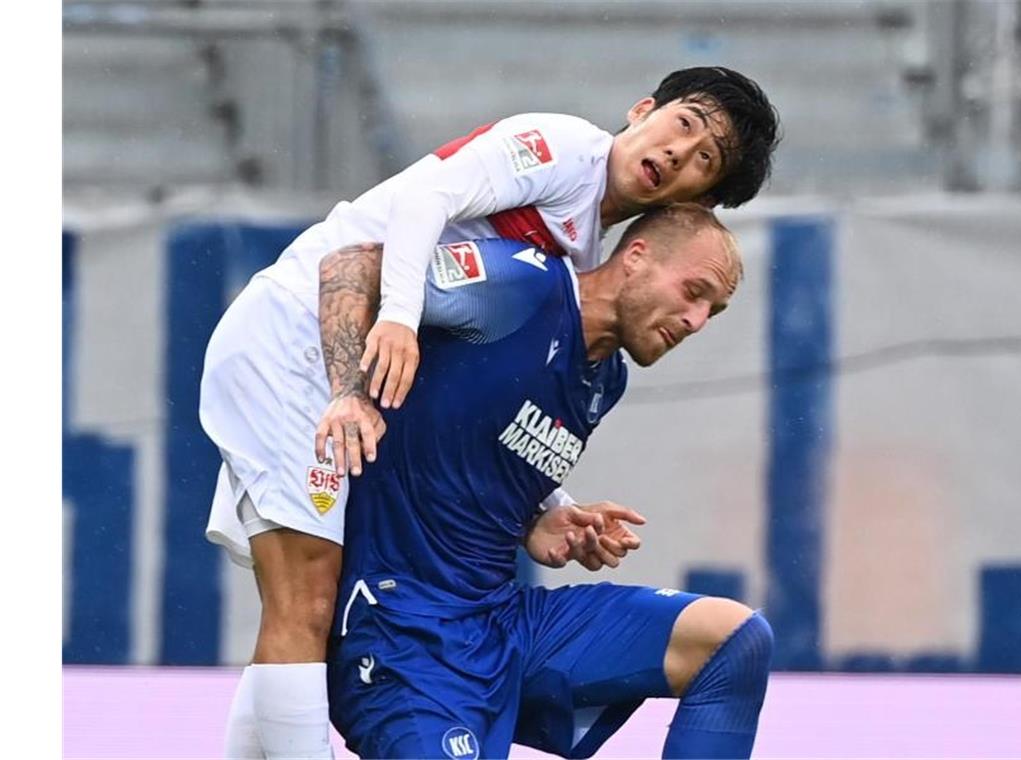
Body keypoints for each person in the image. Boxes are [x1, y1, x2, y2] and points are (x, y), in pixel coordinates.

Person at [200, 67, 779, 758]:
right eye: (683, 125)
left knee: (299, 607)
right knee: (306, 601)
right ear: (643, 109)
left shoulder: (583, 282)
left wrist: (546, 506)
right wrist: (391, 327)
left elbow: (490, 416)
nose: (679, 153)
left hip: (468, 593)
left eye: (705, 161)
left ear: (701, 198)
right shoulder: (563, 150)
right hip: (300, 339)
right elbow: (419, 201)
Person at [328, 204, 773, 759]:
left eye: (715, 310)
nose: (697, 320)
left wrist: (538, 518)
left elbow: (468, 449)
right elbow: (354, 266)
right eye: (694, 291)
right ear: (635, 257)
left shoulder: (605, 380)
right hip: (404, 633)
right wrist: (346, 392)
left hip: (502, 622)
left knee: (732, 639)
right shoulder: (523, 284)